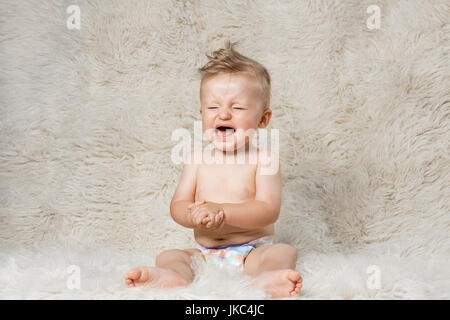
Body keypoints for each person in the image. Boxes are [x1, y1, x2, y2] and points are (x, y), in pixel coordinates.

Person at [125, 41, 302, 298]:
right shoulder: (196, 160)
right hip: (205, 254)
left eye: (238, 107)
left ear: (262, 119)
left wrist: (222, 212)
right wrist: (193, 215)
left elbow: (268, 210)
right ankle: (173, 277)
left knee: (283, 252)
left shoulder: (264, 160)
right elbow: (178, 205)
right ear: (202, 114)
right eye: (213, 107)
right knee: (171, 255)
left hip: (251, 252)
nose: (224, 115)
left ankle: (267, 280)